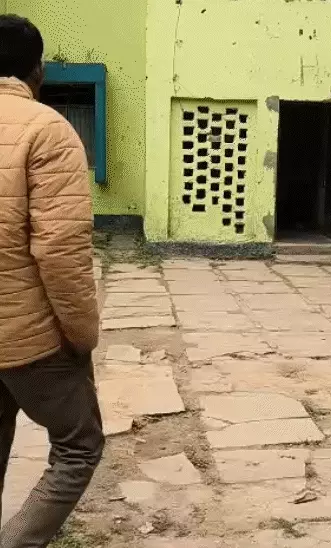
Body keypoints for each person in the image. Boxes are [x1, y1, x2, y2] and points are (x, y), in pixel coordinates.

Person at [0, 15, 104, 546]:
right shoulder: (47, 130)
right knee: (78, 446)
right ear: (37, 70)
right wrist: (82, 335)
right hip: (29, 338)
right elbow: (60, 251)